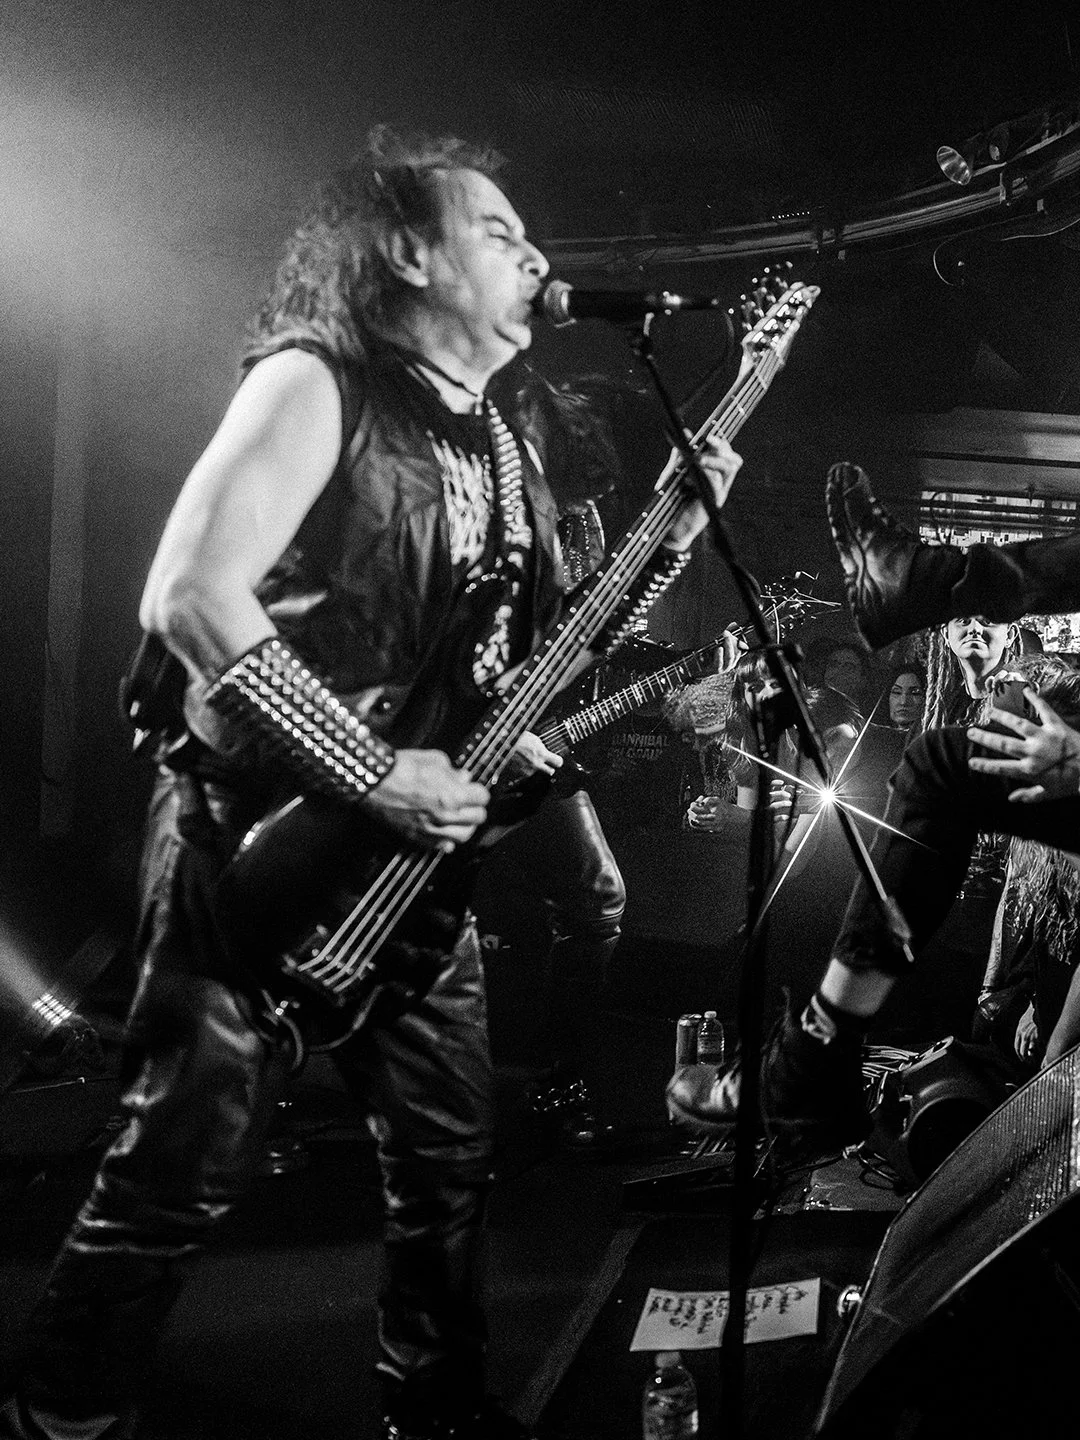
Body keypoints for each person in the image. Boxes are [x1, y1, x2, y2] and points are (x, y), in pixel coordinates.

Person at [1, 126, 743, 1440]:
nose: (537, 257)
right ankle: (60, 1416)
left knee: (449, 1161)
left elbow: (523, 666)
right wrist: (375, 770)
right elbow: (190, 597)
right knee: (179, 1165)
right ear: (406, 255)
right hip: (250, 842)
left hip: (406, 875)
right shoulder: (316, 380)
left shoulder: (505, 445)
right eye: (497, 232)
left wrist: (673, 538)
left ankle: (437, 1409)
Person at [666, 460, 1080, 1152]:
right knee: (937, 768)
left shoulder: (1028, 686)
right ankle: (923, 582)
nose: (975, 634)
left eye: (987, 623)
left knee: (939, 769)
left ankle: (814, 1057)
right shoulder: (941, 700)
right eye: (963, 622)